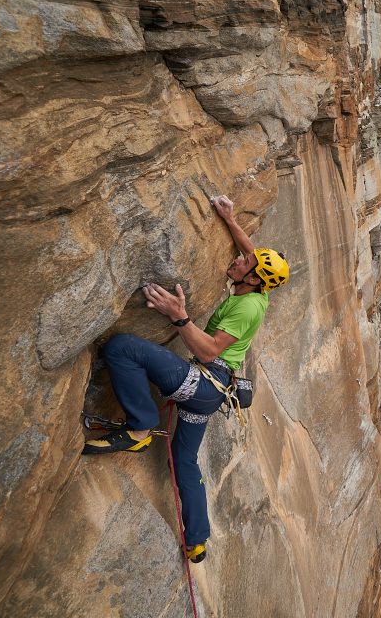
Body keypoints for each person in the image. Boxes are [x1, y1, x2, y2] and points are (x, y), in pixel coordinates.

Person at [82, 195, 289, 563]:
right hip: (210, 395)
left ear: (255, 279)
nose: (238, 259)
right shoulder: (258, 287)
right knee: (183, 460)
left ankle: (139, 429)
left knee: (122, 348)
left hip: (202, 381)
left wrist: (178, 315)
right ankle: (197, 540)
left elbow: (209, 350)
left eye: (245, 263)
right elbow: (251, 252)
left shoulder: (247, 307)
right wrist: (229, 218)